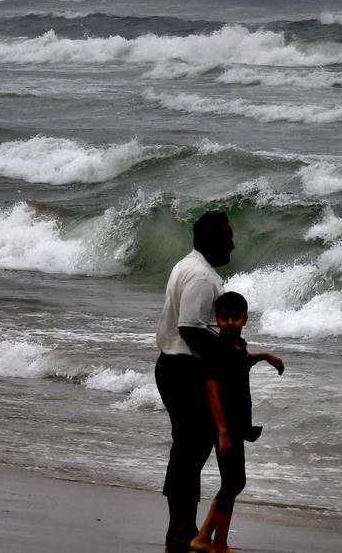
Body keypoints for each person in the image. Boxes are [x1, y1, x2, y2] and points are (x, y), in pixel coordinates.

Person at [155, 210, 235, 553]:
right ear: (212, 240)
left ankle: (180, 528)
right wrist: (229, 353)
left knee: (187, 452)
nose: (233, 243)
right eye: (228, 236)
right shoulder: (202, 277)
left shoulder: (187, 265)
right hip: (184, 370)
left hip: (173, 367)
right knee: (190, 453)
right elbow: (190, 329)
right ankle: (181, 531)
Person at [190, 292, 284, 553]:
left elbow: (241, 363)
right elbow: (212, 390)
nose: (229, 322)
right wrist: (221, 431)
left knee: (234, 482)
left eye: (235, 317)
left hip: (236, 423)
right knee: (232, 482)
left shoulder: (237, 346)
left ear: (245, 319)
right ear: (217, 320)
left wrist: (265, 356)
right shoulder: (217, 349)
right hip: (225, 425)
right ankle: (218, 545)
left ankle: (204, 538)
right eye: (224, 318)